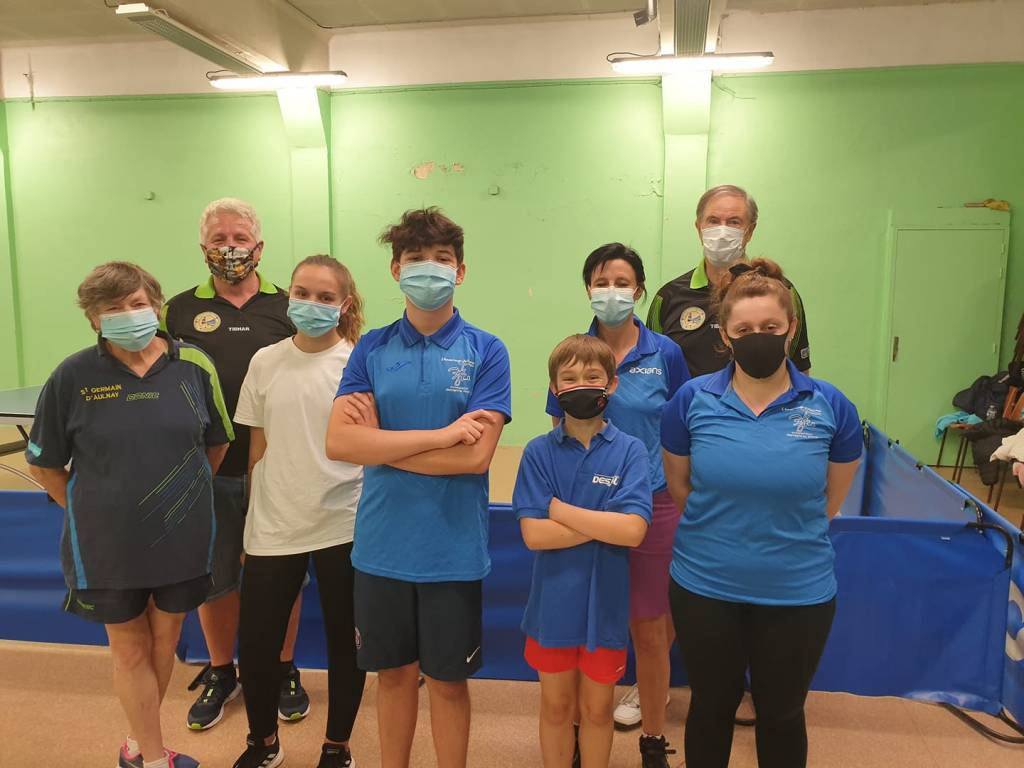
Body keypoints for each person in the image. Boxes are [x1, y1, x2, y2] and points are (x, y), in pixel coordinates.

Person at [27, 262, 233, 768]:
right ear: (93, 319)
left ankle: (138, 745)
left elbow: (215, 444)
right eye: (112, 308)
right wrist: (92, 509)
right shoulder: (72, 376)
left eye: (137, 304)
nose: (128, 314)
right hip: (106, 545)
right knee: (130, 649)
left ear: (156, 306)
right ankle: (155, 758)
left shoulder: (194, 365)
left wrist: (180, 495)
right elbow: (46, 464)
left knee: (165, 641)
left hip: (182, 535)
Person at [326, 207, 512, 768]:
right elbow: (341, 443)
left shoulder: (487, 350)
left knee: (449, 683)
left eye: (441, 258)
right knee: (393, 676)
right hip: (381, 547)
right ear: (395, 269)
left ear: (460, 271)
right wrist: (440, 437)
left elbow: (475, 457)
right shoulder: (371, 347)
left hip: (452, 549)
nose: (428, 268)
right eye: (415, 258)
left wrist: (382, 443)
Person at [659, 259, 862, 768]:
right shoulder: (690, 401)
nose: (758, 337)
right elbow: (681, 488)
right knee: (711, 707)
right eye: (744, 329)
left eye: (770, 327)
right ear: (725, 335)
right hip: (705, 587)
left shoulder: (831, 406)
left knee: (782, 713)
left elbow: (829, 500)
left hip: (797, 592)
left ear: (790, 329)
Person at [161, 198, 309, 730]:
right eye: (219, 238)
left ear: (259, 247)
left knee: (283, 575)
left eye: (240, 237)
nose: (230, 247)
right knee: (217, 577)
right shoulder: (177, 311)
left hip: (280, 467)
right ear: (203, 248)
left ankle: (283, 667)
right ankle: (222, 671)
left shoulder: (291, 305)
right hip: (209, 470)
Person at [545, 244, 687, 767]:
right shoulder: (574, 352)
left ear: (639, 291)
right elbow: (558, 429)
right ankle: (576, 733)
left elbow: (682, 427)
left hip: (653, 504)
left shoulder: (665, 353)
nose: (611, 291)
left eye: (622, 282)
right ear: (588, 290)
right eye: (601, 282)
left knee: (649, 630)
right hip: (584, 510)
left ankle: (653, 739)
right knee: (582, 626)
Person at [230, 255, 368, 768]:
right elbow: (257, 449)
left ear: (344, 305)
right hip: (274, 524)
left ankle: (337, 746)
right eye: (302, 293)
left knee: (345, 643)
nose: (312, 304)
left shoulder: (358, 363)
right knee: (257, 643)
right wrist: (250, 523)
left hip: (344, 521)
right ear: (288, 296)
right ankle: (262, 742)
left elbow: (368, 444)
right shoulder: (265, 361)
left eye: (325, 297)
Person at [517, 334, 652, 768]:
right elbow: (534, 535)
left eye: (593, 376)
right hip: (552, 607)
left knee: (597, 710)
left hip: (605, 609)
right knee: (556, 707)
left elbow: (633, 531)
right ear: (554, 389)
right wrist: (604, 523)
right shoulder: (538, 452)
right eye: (569, 378)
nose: (581, 385)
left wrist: (559, 510)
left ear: (612, 384)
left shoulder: (631, 451)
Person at [646, 184, 812, 379]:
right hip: (687, 400)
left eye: (734, 222)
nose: (722, 232)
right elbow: (653, 371)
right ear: (699, 228)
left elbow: (799, 370)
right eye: (713, 221)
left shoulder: (782, 291)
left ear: (750, 231)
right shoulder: (668, 297)